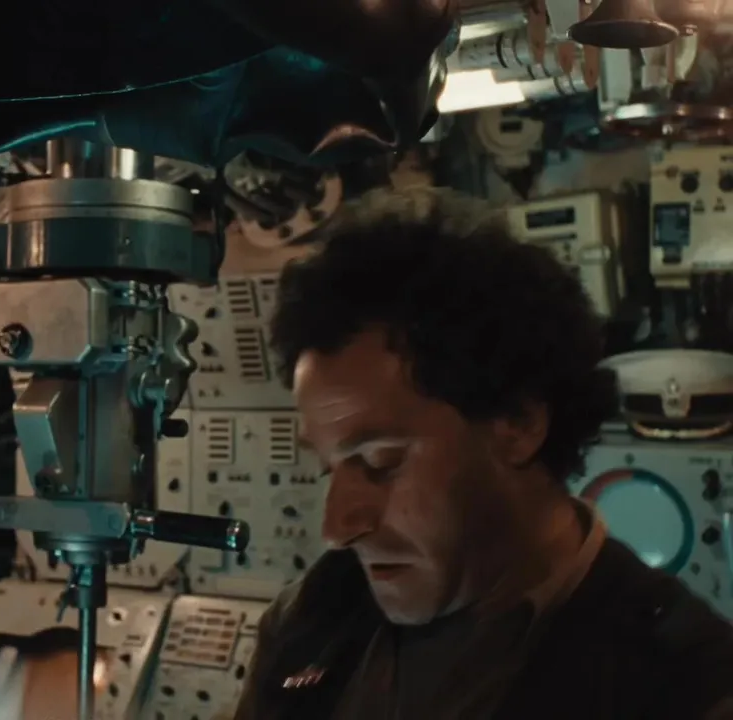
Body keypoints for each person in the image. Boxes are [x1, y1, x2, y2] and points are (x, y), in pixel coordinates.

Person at [234, 186, 733, 720]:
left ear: (517, 423)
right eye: (326, 468)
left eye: (381, 463)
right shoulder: (311, 616)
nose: (337, 527)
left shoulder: (687, 686)